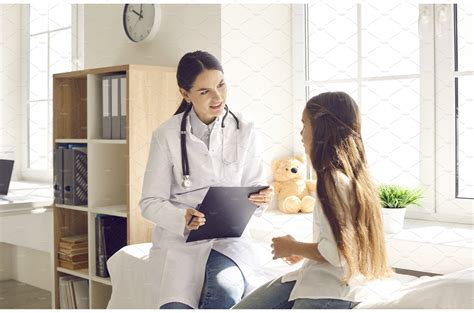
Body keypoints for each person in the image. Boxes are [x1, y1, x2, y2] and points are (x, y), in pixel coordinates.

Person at [233, 91, 394, 309]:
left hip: (331, 290)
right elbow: (340, 246)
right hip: (324, 279)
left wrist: (293, 246)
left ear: (321, 129)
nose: (301, 133)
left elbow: (336, 253)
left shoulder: (332, 182)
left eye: (304, 124)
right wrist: (299, 249)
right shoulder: (352, 179)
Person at [139, 50, 274, 309]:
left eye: (221, 85)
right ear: (185, 93)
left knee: (223, 292)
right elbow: (149, 202)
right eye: (204, 91)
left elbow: (256, 189)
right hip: (181, 243)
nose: (218, 97)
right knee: (176, 306)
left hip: (229, 241)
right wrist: (182, 218)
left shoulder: (245, 129)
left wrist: (262, 198)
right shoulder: (166, 135)